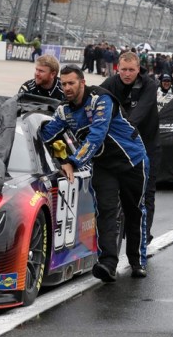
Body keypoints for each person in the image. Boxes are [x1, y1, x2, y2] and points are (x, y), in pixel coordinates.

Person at [40, 66, 149, 281]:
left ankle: (138, 261)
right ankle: (108, 263)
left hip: (132, 160)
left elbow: (97, 135)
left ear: (82, 82)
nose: (67, 88)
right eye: (63, 84)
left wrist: (73, 161)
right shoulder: (64, 111)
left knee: (133, 210)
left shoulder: (101, 99)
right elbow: (46, 133)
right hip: (103, 165)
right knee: (106, 211)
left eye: (71, 83)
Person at [100, 52, 159, 244]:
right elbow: (92, 99)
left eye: (131, 70)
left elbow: (142, 109)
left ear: (138, 69)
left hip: (146, 142)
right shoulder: (110, 83)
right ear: (118, 68)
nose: (127, 74)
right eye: (123, 69)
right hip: (121, 144)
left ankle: (143, 235)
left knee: (145, 190)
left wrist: (126, 127)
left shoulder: (149, 85)